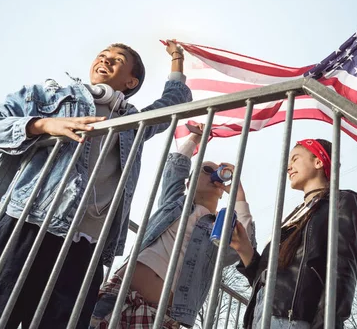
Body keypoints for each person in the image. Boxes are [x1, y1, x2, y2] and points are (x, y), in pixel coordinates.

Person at [0, 40, 193, 328]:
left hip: (86, 248)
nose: (106, 60)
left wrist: (177, 59)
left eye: (117, 59)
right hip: (28, 225)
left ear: (131, 80)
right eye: (102, 55)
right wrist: (40, 125)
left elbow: (174, 103)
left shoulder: (135, 123)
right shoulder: (49, 96)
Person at [89, 123, 256, 328]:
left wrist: (239, 194)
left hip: (161, 315)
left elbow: (243, 248)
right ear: (189, 182)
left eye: (219, 172)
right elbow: (175, 168)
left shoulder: (219, 228)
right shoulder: (174, 202)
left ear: (222, 192)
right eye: (206, 170)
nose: (214, 175)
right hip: (116, 296)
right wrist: (195, 137)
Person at [231, 138, 357, 329]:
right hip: (261, 314)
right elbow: (264, 278)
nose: (289, 167)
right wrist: (244, 248)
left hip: (296, 319)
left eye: (295, 159)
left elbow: (343, 269)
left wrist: (325, 324)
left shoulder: (342, 201)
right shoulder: (294, 215)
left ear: (318, 161)